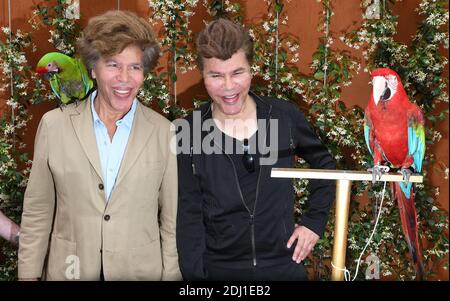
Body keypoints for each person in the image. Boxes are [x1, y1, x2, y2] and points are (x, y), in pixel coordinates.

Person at [18, 10, 181, 281]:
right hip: (70, 271)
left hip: (140, 272)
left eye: (135, 67)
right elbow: (38, 210)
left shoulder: (164, 131)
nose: (125, 78)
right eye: (113, 64)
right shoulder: (53, 126)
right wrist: (27, 275)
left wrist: (172, 275)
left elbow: (172, 220)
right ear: (93, 69)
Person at [176, 18, 336, 281]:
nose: (228, 87)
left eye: (237, 73)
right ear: (202, 75)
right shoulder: (188, 130)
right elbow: (188, 213)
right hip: (220, 271)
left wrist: (313, 223)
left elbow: (325, 166)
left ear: (251, 69)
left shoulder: (284, 116)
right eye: (216, 75)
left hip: (284, 267)